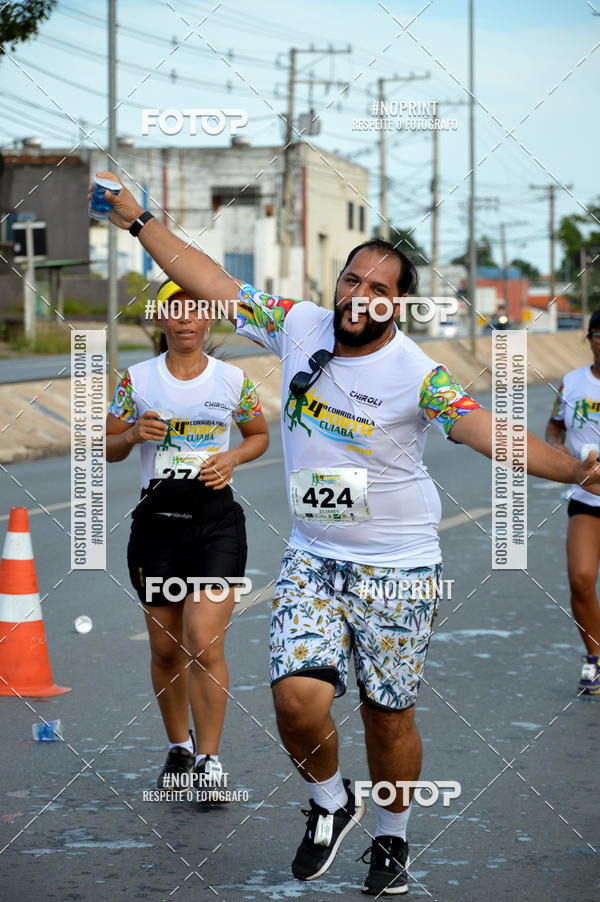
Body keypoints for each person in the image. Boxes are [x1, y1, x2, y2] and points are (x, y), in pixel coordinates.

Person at [95, 171, 600, 894]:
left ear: (398, 305)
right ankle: (331, 799)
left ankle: (392, 838)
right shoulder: (298, 325)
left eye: (380, 289)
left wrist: (573, 469)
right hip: (314, 556)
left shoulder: (417, 374)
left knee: (386, 718)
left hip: (398, 567)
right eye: (352, 280)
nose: (361, 296)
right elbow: (209, 279)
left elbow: (489, 432)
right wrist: (139, 221)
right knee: (295, 701)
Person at [105, 278, 269, 797]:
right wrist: (132, 435)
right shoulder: (137, 380)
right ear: (161, 320)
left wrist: (233, 457)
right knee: (165, 649)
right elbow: (106, 445)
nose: (185, 320)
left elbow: (259, 435)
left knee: (203, 641)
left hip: (216, 524)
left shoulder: (233, 380)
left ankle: (209, 761)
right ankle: (180, 746)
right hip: (157, 526)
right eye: (175, 311)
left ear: (207, 319)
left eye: (195, 310)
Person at [545, 308, 600, 695]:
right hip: (586, 498)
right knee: (581, 580)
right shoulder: (572, 382)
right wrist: (556, 448)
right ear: (589, 338)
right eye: (598, 334)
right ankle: (595, 660)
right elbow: (555, 428)